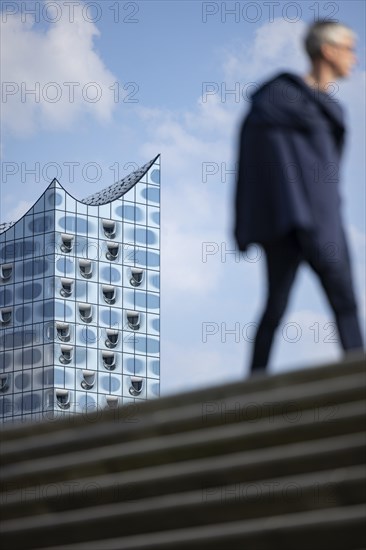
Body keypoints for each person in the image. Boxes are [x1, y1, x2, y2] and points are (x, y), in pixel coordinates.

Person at [234, 20, 364, 374]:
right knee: (278, 307)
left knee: (344, 305)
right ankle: (253, 392)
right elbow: (251, 165)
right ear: (328, 50)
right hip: (288, 220)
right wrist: (245, 221)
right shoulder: (275, 101)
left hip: (323, 218)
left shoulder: (330, 111)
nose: (355, 57)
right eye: (350, 48)